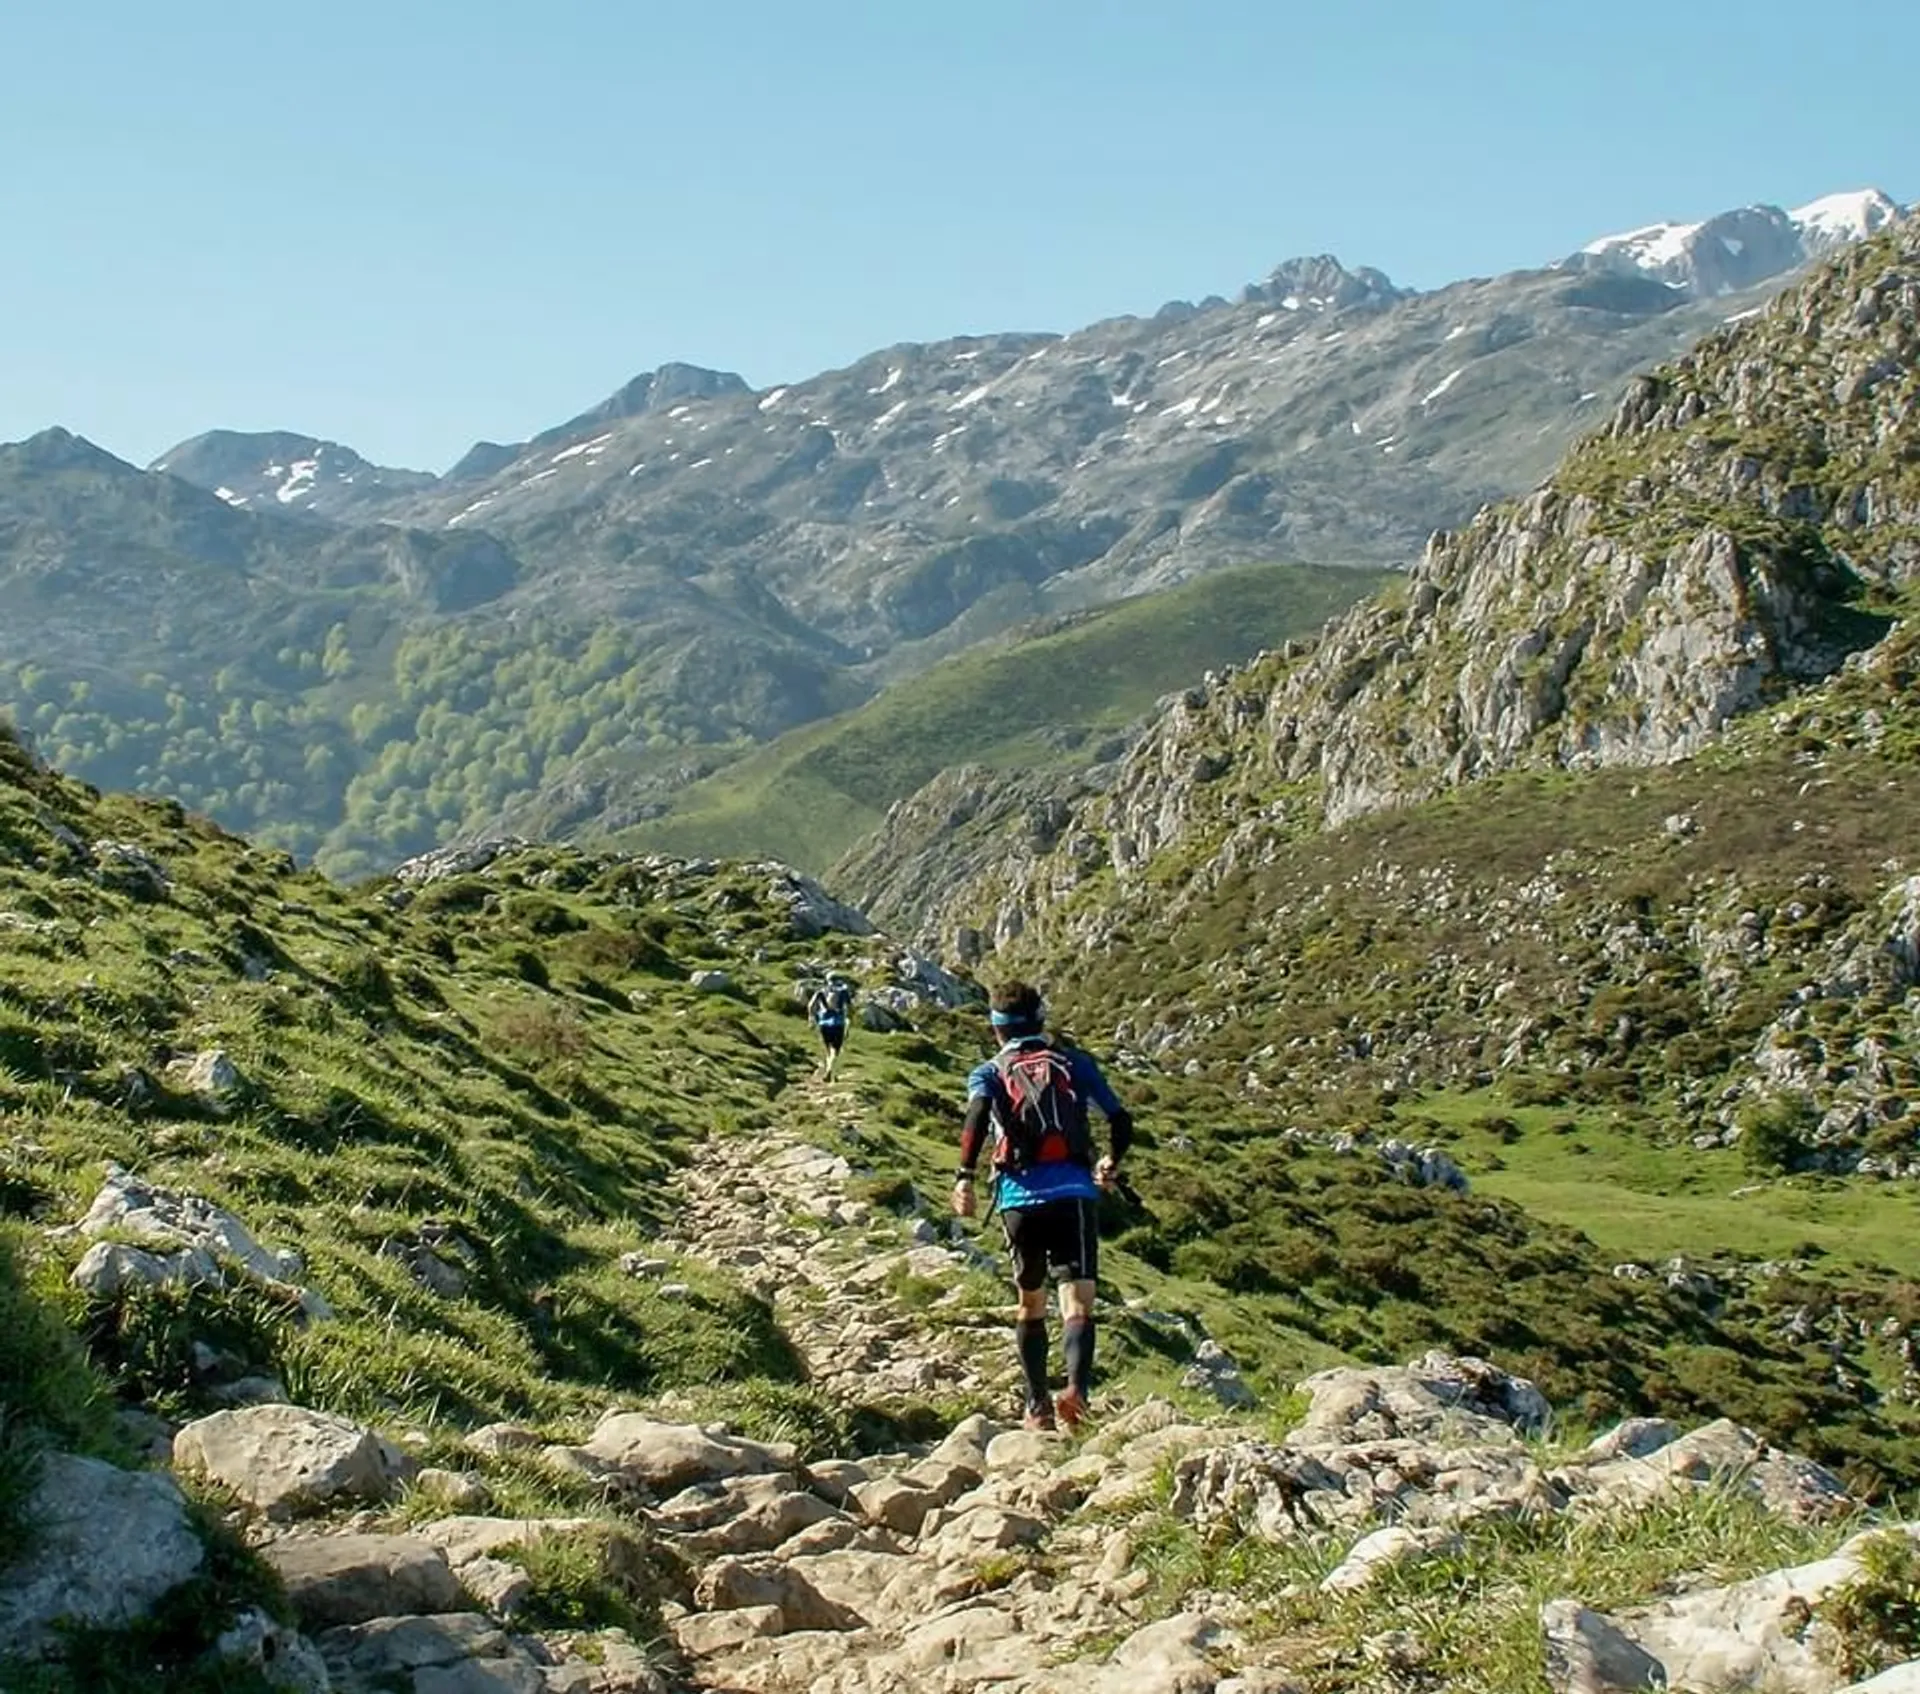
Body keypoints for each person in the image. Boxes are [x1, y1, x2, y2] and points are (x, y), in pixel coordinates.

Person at [952, 980, 1133, 1431]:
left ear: (995, 1030)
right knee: (1078, 1301)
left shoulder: (989, 1072)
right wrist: (1110, 1160)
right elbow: (1119, 1117)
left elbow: (976, 1118)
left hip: (1018, 1197)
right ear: (1041, 1019)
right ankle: (1077, 1391)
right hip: (1073, 1192)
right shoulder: (1074, 1064)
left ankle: (1037, 1408)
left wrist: (964, 1178)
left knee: (1030, 1303)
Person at [806, 973, 854, 1079]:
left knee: (828, 1049)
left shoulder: (821, 991)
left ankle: (830, 1071)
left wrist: (811, 1018)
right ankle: (831, 1071)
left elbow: (811, 1005)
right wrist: (849, 1021)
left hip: (823, 1023)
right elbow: (850, 1008)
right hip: (838, 1023)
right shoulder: (843, 992)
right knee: (835, 1050)